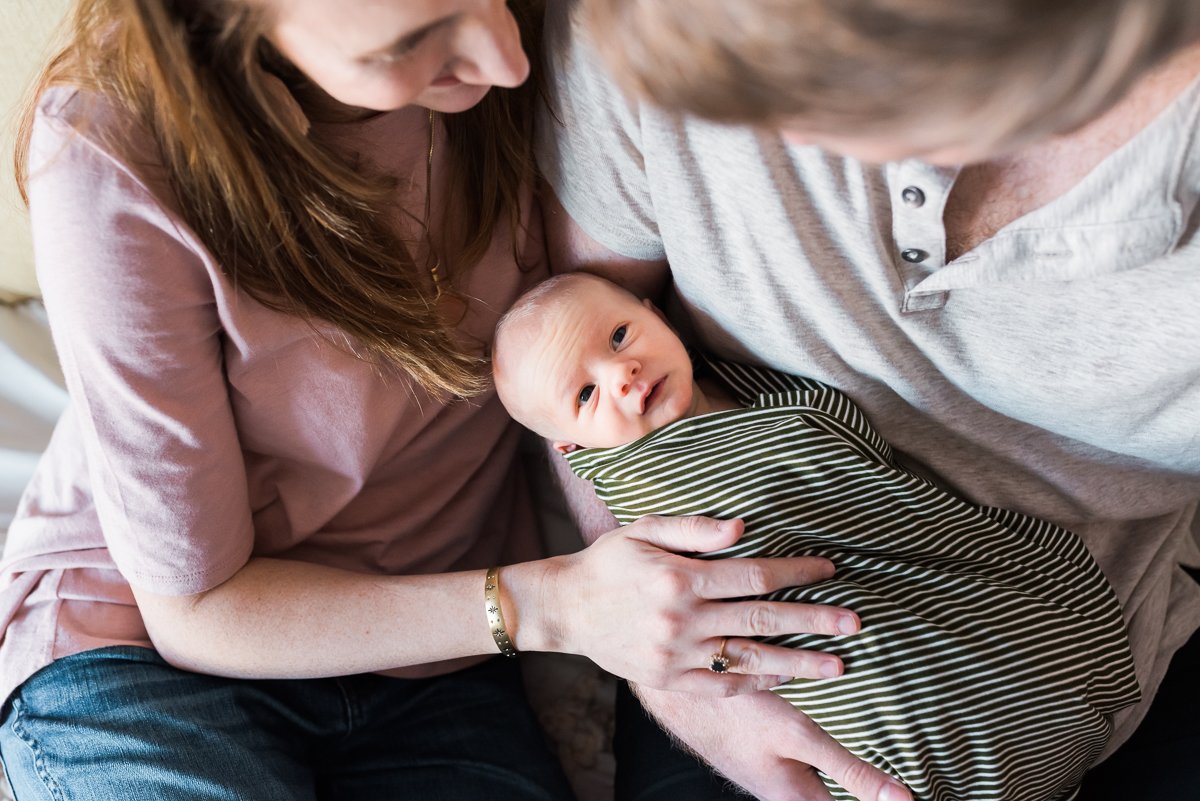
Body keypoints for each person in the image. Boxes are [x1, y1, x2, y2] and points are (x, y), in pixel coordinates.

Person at [0, 1, 872, 798]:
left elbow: (614, 372)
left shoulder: (541, 42)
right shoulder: (112, 151)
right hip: (148, 647)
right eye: (411, 40)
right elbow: (198, 609)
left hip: (440, 652)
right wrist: (552, 604)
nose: (506, 61)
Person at [535, 1, 1200, 800]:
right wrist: (679, 669)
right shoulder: (649, 18)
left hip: (1102, 651)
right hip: (752, 680)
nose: (785, 140)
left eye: (805, 99)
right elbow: (570, 337)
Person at [492, 270, 1141, 801]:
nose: (622, 373)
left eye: (620, 335)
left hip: (924, 565)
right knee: (871, 672)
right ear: (572, 446)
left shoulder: (732, 380)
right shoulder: (646, 490)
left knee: (1018, 632)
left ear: (651, 311)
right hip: (849, 650)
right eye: (584, 392)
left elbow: (861, 481)